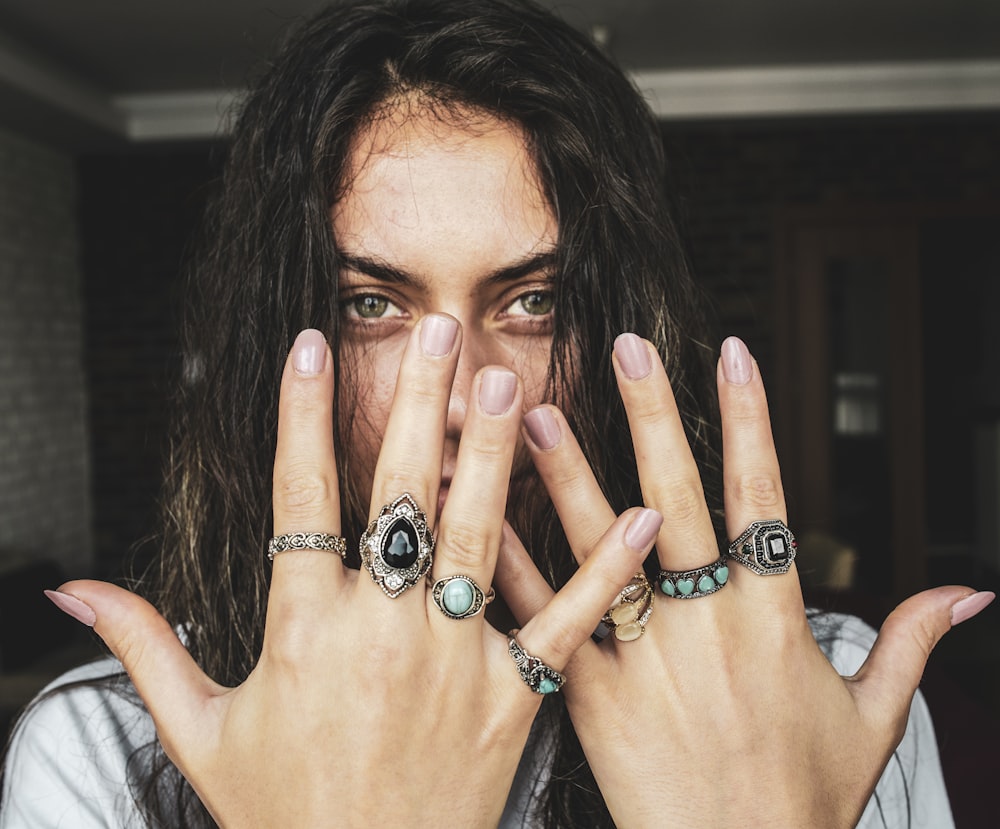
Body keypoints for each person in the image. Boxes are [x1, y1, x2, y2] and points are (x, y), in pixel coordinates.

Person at [1, 0, 993, 826]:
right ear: (282, 343)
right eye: (371, 305)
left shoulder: (822, 700)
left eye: (533, 302)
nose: (463, 401)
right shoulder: (108, 753)